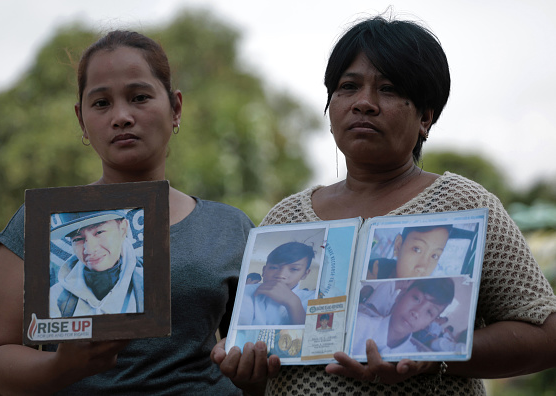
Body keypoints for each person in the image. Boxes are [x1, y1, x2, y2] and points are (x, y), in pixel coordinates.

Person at [211, 14, 556, 396]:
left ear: (426, 117)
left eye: (389, 89)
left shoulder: (463, 205)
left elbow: (546, 333)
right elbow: (263, 368)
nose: (364, 103)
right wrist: (248, 371)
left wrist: (433, 353)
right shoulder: (285, 218)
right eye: (348, 87)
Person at [0, 30, 254, 395]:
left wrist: (253, 368)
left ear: (175, 108)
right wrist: (60, 366)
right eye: (101, 103)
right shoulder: (39, 222)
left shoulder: (228, 227)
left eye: (139, 97)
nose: (122, 116)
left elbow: (258, 348)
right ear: (81, 120)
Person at [49, 210, 143, 318]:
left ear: (122, 230)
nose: (89, 249)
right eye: (78, 239)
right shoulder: (55, 298)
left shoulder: (151, 285)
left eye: (99, 232)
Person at [351, 278, 454, 356]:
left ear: (429, 323)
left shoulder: (412, 357)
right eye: (416, 298)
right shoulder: (357, 326)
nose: (416, 312)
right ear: (400, 296)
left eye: (429, 312)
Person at [238, 241, 315, 326]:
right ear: (264, 271)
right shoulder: (244, 292)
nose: (281, 275)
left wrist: (293, 303)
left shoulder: (313, 298)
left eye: (294, 269)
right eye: (274, 267)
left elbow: (312, 335)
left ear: (304, 274)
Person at [367, 224, 452, 279]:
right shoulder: (373, 270)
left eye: (434, 256)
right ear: (398, 246)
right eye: (417, 249)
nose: (422, 268)